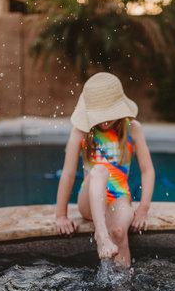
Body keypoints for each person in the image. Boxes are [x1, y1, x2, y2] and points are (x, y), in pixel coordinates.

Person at [55, 72, 155, 268]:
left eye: (108, 113)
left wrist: (142, 210)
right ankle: (101, 234)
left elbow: (148, 170)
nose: (104, 121)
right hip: (90, 199)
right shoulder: (81, 131)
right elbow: (67, 173)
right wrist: (61, 215)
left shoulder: (132, 128)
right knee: (99, 170)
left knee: (118, 232)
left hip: (119, 197)